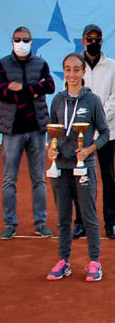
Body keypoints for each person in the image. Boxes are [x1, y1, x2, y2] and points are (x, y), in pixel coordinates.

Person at [46, 53, 109, 281]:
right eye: (67, 69)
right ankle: (64, 261)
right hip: (60, 167)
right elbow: (51, 133)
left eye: (76, 70)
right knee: (63, 217)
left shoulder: (92, 101)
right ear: (64, 71)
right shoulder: (57, 100)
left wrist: (90, 149)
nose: (72, 74)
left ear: (83, 72)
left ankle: (94, 262)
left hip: (84, 167)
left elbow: (104, 133)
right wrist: (50, 149)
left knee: (88, 215)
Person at [0, 26, 55, 240]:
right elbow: (2, 92)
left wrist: (21, 87)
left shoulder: (41, 64)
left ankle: (40, 223)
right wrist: (34, 88)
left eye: (25, 39)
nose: (21, 43)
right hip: (12, 130)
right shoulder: (2, 64)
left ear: (32, 42)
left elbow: (49, 86)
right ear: (11, 42)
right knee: (8, 179)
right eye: (17, 39)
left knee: (38, 179)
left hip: (36, 129)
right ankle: (10, 224)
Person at [71, 24, 115, 239]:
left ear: (102, 41)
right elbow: (73, 95)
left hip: (106, 134)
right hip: (81, 136)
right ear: (83, 41)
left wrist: (99, 122)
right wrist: (87, 125)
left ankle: (111, 223)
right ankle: (81, 222)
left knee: (108, 178)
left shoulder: (112, 66)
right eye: (89, 39)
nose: (93, 42)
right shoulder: (77, 66)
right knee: (81, 179)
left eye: (97, 39)